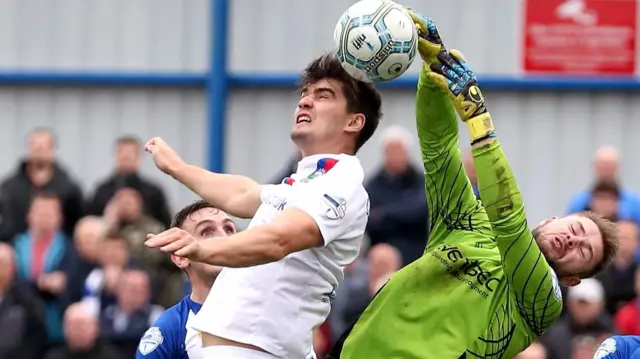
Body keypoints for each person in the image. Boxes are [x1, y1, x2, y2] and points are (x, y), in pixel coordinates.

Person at [328, 9, 619, 359]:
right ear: (549, 221)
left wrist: (480, 122)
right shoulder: (467, 224)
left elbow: (509, 223)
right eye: (575, 228)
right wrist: (434, 70)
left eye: (582, 251)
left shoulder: (543, 301)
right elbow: (439, 151)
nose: (572, 239)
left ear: (573, 280)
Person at [144, 54, 380, 359]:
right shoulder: (309, 179)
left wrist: (201, 248)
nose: (305, 103)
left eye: (323, 95)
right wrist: (177, 167)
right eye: (305, 95)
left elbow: (278, 240)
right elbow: (242, 194)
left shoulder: (343, 182)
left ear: (354, 121)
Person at [136, 201, 236, 359]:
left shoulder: (271, 308)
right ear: (180, 257)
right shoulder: (170, 328)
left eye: (229, 229)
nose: (223, 238)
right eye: (207, 232)